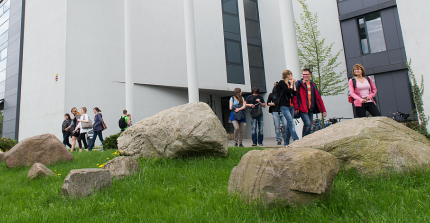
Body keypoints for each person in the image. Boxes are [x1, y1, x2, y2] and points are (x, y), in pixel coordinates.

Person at [295, 68, 327, 137]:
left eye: (306, 74)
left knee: (310, 125)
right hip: (302, 108)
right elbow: (295, 96)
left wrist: (323, 110)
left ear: (310, 75)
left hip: (310, 108)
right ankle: (303, 139)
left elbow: (318, 98)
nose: (305, 76)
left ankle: (308, 140)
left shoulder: (313, 85)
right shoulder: (299, 84)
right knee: (307, 123)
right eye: (303, 74)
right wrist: (296, 107)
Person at [278, 70, 300, 146]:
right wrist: (291, 85)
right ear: (288, 75)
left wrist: (293, 84)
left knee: (288, 126)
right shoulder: (281, 83)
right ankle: (296, 140)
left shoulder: (290, 83)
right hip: (284, 106)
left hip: (291, 106)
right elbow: (287, 91)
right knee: (291, 122)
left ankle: (286, 143)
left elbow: (294, 93)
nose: (292, 76)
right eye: (291, 75)